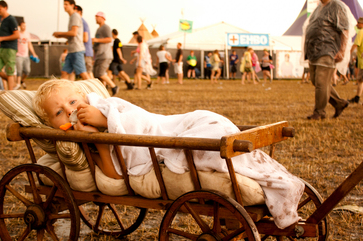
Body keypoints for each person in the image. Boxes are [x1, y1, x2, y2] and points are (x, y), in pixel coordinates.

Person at [32, 79, 305, 229]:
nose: (69, 110)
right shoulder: (82, 142)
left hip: (169, 129)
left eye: (72, 101)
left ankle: (263, 173)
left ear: (85, 97)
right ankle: (264, 177)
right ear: (52, 126)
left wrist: (105, 118)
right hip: (156, 149)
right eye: (59, 112)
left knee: (211, 129)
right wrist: (101, 144)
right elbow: (115, 180)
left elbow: (142, 120)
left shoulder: (104, 107)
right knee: (208, 143)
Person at [304, 0, 351, 120]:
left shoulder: (336, 6)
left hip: (328, 50)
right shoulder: (318, 7)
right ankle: (339, 103)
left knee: (321, 82)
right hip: (314, 51)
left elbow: (344, 29)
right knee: (316, 81)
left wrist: (342, 51)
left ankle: (319, 113)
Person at [53, 0, 89, 81]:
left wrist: (60, 34)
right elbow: (73, 35)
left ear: (72, 5)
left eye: (66, 4)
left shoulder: (75, 16)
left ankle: (94, 91)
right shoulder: (72, 17)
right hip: (71, 50)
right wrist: (60, 36)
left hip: (77, 50)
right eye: (64, 4)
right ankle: (63, 92)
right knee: (64, 72)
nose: (64, 6)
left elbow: (74, 33)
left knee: (83, 74)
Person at [0, 1, 20, 90]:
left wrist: (2, 38)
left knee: (9, 71)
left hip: (10, 48)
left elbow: (17, 35)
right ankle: (13, 83)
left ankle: (10, 92)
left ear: (5, 8)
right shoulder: (2, 20)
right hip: (1, 47)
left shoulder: (11, 19)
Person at [92, 11, 119, 96]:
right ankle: (102, 92)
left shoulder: (106, 27)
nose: (96, 18)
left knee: (100, 73)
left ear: (102, 18)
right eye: (95, 17)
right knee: (97, 76)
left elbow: (109, 39)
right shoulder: (98, 29)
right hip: (99, 55)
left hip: (105, 54)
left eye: (97, 17)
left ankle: (114, 86)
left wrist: (96, 40)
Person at [15, 21, 38, 89]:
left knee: (27, 71)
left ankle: (22, 81)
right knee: (19, 70)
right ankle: (18, 84)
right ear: (20, 26)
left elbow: (29, 44)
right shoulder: (17, 34)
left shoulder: (27, 34)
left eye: (25, 26)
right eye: (23, 26)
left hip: (26, 55)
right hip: (18, 55)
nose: (24, 27)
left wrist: (34, 53)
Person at [74, 5, 94, 78]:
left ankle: (94, 89)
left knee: (88, 73)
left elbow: (85, 38)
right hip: (83, 51)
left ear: (79, 12)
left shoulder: (82, 22)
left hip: (85, 52)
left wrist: (74, 39)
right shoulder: (80, 21)